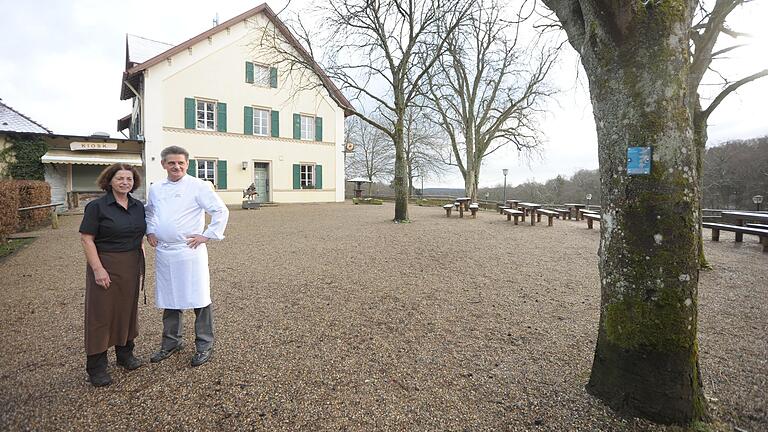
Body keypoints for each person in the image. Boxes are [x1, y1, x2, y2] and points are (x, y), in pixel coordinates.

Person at [145, 145, 229, 367]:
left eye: (180, 163)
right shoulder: (156, 188)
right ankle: (171, 342)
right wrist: (150, 230)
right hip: (164, 251)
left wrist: (207, 235)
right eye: (171, 163)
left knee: (199, 298)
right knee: (170, 299)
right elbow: (151, 212)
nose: (176, 166)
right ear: (163, 164)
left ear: (187, 164)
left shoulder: (198, 186)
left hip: (189, 251)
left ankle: (204, 344)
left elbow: (220, 210)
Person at [79, 163, 146, 387]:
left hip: (131, 264)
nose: (125, 182)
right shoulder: (97, 207)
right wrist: (98, 269)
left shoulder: (137, 206)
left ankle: (125, 355)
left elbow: (141, 235)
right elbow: (87, 239)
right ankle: (96, 367)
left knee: (127, 310)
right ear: (109, 181)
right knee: (101, 314)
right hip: (105, 263)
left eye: (129, 178)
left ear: (133, 182)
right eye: (120, 178)